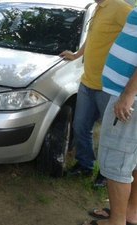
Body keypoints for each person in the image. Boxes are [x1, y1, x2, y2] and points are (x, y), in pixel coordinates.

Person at [59, 0, 132, 187]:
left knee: (110, 135)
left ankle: (106, 174)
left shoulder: (120, 8)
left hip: (109, 87)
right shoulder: (99, 8)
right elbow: (92, 37)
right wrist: (76, 55)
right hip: (87, 81)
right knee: (81, 127)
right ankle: (85, 165)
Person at [84, 6, 137, 225]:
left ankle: (116, 221)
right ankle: (131, 214)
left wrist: (128, 94)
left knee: (116, 164)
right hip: (128, 95)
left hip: (126, 98)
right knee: (132, 160)